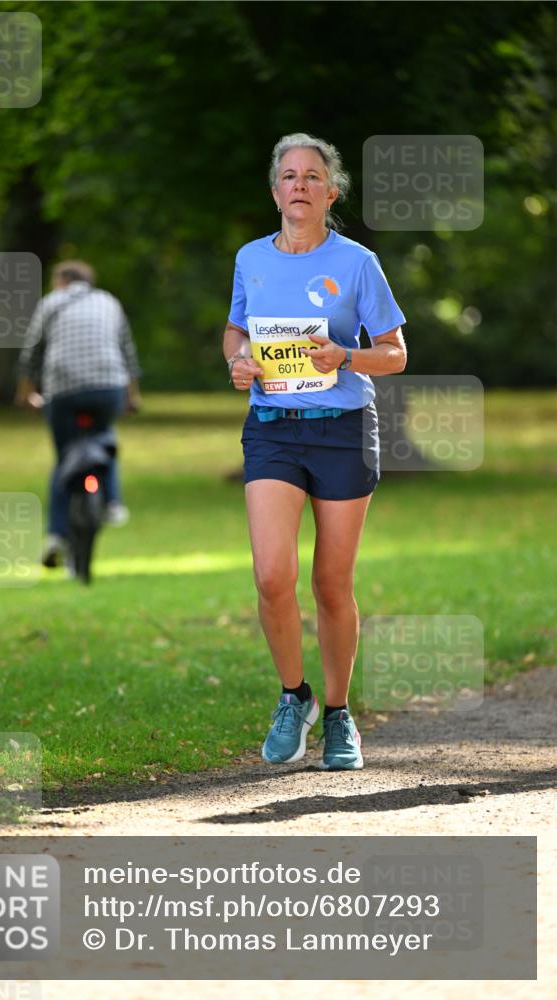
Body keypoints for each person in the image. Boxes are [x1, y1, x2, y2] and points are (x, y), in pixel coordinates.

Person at [223, 133, 407, 771]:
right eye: (289, 175)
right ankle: (292, 696)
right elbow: (236, 328)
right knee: (272, 576)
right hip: (272, 427)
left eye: (312, 176)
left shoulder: (358, 262)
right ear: (275, 191)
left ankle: (338, 714)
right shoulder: (250, 258)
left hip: (342, 428)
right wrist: (238, 362)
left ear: (331, 193)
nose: (300, 184)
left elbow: (396, 351)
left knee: (332, 583)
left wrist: (345, 356)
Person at [15, 260, 142, 566]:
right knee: (104, 434)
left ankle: (56, 535)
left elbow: (31, 353)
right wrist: (132, 397)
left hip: (63, 390)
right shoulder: (107, 301)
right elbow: (128, 353)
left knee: (64, 459)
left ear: (62, 281)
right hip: (107, 386)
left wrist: (25, 394)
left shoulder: (51, 302)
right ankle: (112, 502)